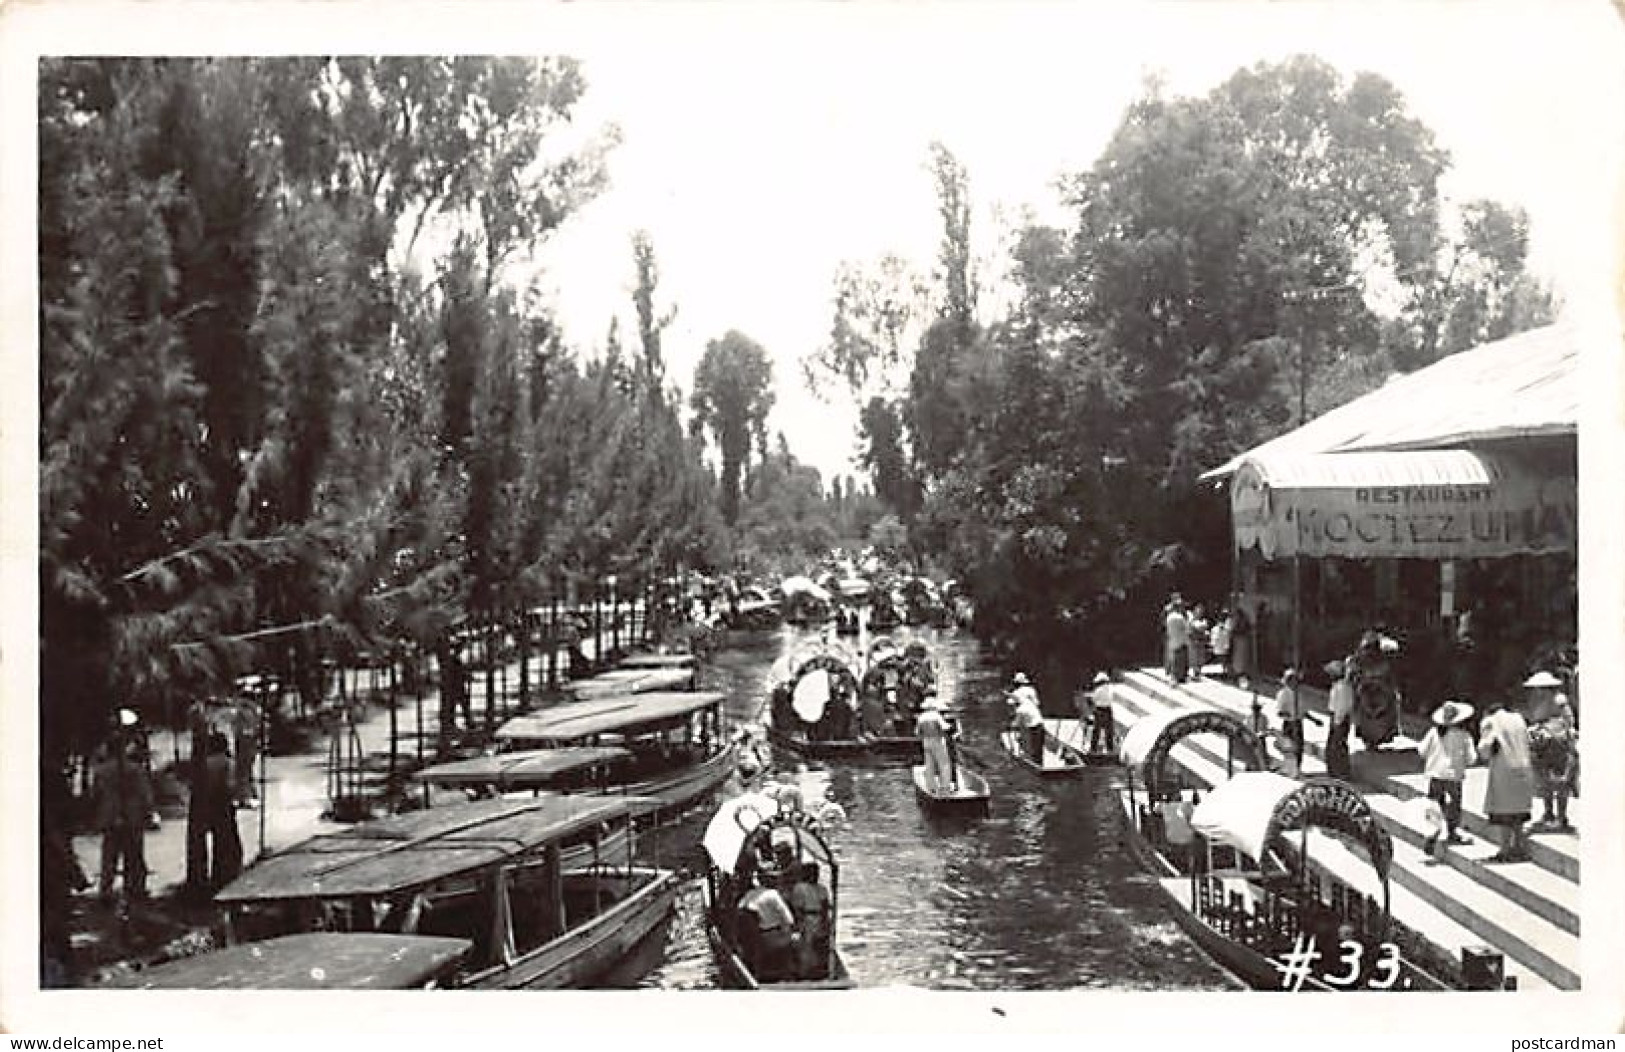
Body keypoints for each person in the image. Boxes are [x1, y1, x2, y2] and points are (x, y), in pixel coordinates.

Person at [91, 734, 154, 904]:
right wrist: (148, 812)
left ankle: (106, 890)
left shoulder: (101, 771)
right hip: (132, 817)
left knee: (109, 857)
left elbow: (95, 795)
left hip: (109, 816)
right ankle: (135, 888)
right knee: (134, 856)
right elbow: (145, 794)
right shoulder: (135, 769)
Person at [185, 732, 243, 897]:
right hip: (222, 804)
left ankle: (208, 876)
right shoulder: (227, 763)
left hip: (205, 805)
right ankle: (224, 874)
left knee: (210, 840)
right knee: (226, 840)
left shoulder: (204, 764)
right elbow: (230, 785)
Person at [1478, 696, 1535, 863]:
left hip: (1503, 768)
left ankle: (1505, 849)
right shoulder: (1519, 719)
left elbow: (1485, 747)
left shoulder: (1490, 721)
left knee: (1503, 812)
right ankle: (1518, 846)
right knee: (1519, 811)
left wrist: (1483, 753)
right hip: (1523, 766)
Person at [1417, 700, 1478, 852]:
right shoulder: (1464, 736)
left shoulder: (1433, 732)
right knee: (1454, 804)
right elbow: (1472, 758)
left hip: (1435, 773)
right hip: (1453, 775)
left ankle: (1433, 830)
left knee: (1435, 804)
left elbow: (1422, 751)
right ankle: (1452, 831)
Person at [1529, 694, 1576, 833]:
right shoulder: (1545, 721)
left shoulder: (1562, 719)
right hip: (1549, 755)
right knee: (1548, 786)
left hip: (1560, 754)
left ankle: (1560, 817)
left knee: (1560, 786)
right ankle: (1550, 813)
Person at [785, 861, 833, 980]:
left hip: (818, 917)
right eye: (812, 872)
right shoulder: (800, 887)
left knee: (819, 944)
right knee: (806, 946)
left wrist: (825, 922)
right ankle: (805, 972)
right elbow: (797, 908)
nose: (815, 875)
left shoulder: (822, 888)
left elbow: (825, 906)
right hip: (806, 917)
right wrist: (799, 924)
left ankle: (820, 970)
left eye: (816, 873)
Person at [916, 693, 956, 794]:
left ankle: (931, 787)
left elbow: (917, 732)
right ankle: (945, 787)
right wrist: (951, 727)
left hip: (926, 742)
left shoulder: (921, 717)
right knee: (944, 764)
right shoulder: (936, 716)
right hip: (937, 741)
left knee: (929, 765)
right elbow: (944, 727)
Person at [1324, 660, 1355, 779]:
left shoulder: (1342, 687)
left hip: (1340, 720)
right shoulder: (1338, 686)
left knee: (1337, 746)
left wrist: (1337, 721)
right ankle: (1335, 771)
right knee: (1334, 746)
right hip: (1337, 718)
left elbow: (1342, 706)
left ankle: (1340, 772)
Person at [1008, 674, 1045, 764]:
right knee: (1038, 748)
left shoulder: (1020, 706)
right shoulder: (1030, 692)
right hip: (1040, 723)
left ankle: (1034, 761)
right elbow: (1037, 703)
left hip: (1032, 727)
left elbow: (1016, 724)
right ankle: (1039, 761)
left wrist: (1011, 726)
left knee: (1031, 743)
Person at [1275, 669, 1304, 753]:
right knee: (1289, 750)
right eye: (1292, 680)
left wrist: (1314, 720)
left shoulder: (1298, 693)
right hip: (1289, 724)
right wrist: (1289, 715)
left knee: (1299, 749)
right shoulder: (1283, 694)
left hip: (1298, 723)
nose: (1295, 682)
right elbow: (1279, 711)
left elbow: (1302, 710)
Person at [1088, 671, 1116, 755]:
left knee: (1096, 730)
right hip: (1108, 710)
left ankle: (1093, 749)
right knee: (1109, 731)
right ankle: (1110, 749)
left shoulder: (1098, 690)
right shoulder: (1111, 689)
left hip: (1100, 710)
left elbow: (1094, 700)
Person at [1163, 597, 1190, 683]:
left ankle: (1173, 675)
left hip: (1172, 639)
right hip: (1181, 640)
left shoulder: (1169, 617)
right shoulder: (1180, 617)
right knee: (1181, 660)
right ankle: (1180, 676)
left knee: (1174, 659)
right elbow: (1186, 628)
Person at [1209, 611, 1234, 679]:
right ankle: (1224, 673)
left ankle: (1222, 673)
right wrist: (1227, 647)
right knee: (1224, 662)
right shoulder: (1226, 630)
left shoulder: (1215, 629)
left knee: (1220, 661)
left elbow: (1213, 640)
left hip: (1218, 649)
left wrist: (1212, 646)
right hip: (1223, 649)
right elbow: (1227, 640)